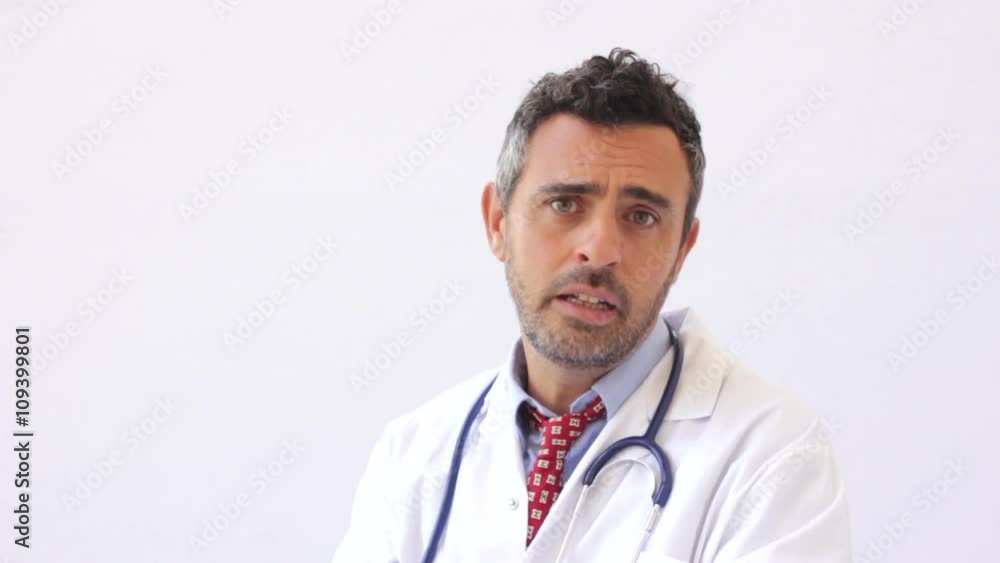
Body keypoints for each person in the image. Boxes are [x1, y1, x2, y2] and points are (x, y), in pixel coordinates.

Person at [332, 48, 851, 562]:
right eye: (564, 204)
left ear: (681, 251)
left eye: (641, 216)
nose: (600, 250)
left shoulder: (773, 458)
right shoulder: (414, 454)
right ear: (498, 223)